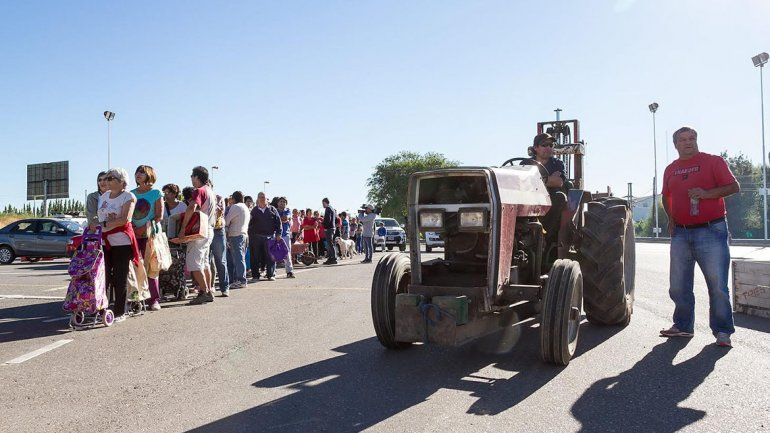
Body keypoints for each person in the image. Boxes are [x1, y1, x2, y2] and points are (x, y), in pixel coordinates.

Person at [660, 126, 739, 347]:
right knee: (678, 286)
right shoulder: (671, 169)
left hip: (711, 230)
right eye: (683, 139)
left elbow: (734, 186)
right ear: (675, 144)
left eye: (692, 138)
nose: (688, 142)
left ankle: (723, 332)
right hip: (680, 233)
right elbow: (665, 197)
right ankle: (683, 326)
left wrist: (707, 194)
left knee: (717, 285)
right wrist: (671, 217)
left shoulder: (713, 161)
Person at [97, 168, 138, 323]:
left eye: (111, 178)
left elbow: (124, 219)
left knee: (120, 277)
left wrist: (107, 223)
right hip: (105, 241)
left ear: (122, 181)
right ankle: (103, 308)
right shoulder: (104, 196)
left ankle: (120, 310)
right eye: (105, 178)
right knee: (104, 276)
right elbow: (101, 216)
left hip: (122, 241)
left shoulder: (128, 197)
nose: (106, 180)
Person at [522, 133, 569, 254]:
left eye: (551, 145)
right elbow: (522, 182)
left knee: (559, 197)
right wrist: (548, 179)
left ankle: (544, 236)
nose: (548, 148)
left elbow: (558, 182)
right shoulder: (526, 163)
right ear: (536, 148)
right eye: (544, 145)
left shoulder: (557, 164)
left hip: (549, 196)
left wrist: (535, 180)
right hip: (529, 195)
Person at [178, 166, 217, 305]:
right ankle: (208, 290)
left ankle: (204, 292)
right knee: (204, 262)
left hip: (200, 229)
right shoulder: (210, 191)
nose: (191, 179)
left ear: (197, 177)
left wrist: (183, 228)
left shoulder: (199, 191)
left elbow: (192, 207)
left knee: (194, 262)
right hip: (209, 229)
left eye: (192, 176)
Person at [131, 165, 163, 311]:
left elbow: (159, 216)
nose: (138, 174)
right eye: (137, 172)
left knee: (151, 267)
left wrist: (144, 228)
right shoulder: (131, 194)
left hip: (150, 236)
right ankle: (136, 298)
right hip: (133, 235)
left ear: (149, 175)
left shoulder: (156, 193)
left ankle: (154, 299)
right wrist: (133, 229)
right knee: (135, 267)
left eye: (142, 172)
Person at [247, 192, 282, 281]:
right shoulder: (254, 210)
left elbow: (278, 222)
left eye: (264, 197)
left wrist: (278, 234)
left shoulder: (272, 209)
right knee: (255, 257)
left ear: (267, 199)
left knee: (271, 256)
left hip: (270, 236)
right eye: (260, 197)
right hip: (256, 237)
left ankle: (271, 274)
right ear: (257, 199)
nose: (262, 199)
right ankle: (255, 276)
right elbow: (249, 224)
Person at [225, 191, 249, 289]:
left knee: (238, 258)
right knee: (239, 258)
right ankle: (238, 279)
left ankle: (241, 280)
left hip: (235, 234)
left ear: (234, 199)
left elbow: (226, 221)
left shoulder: (235, 207)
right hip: (243, 234)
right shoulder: (246, 208)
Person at [210, 189, 230, 296]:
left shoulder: (218, 198)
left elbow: (219, 211)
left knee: (220, 260)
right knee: (206, 261)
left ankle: (224, 287)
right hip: (204, 230)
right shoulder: (199, 196)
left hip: (217, 230)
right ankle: (208, 287)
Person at [276, 197, 295, 278]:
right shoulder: (274, 210)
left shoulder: (288, 211)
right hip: (276, 234)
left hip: (285, 235)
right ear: (278, 203)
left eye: (284, 202)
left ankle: (289, 271)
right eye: (281, 201)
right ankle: (271, 272)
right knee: (273, 254)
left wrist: (277, 219)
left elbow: (284, 219)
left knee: (287, 253)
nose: (282, 203)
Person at [322, 198, 338, 264]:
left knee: (330, 244)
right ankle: (331, 258)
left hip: (329, 228)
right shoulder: (332, 208)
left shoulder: (328, 208)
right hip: (332, 228)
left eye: (323, 203)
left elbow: (328, 219)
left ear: (325, 202)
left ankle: (333, 258)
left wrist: (324, 224)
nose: (322, 205)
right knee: (330, 244)